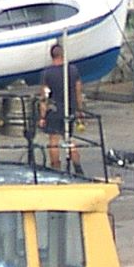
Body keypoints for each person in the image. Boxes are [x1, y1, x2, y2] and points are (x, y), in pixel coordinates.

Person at [37, 42, 83, 174]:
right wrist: (79, 110)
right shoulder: (73, 70)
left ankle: (56, 168)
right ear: (63, 54)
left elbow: (44, 96)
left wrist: (42, 116)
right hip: (69, 109)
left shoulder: (47, 73)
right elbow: (78, 91)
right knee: (69, 138)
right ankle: (77, 167)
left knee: (53, 140)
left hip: (54, 110)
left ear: (51, 56)